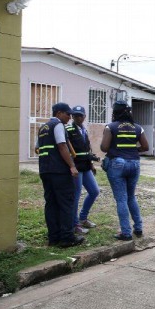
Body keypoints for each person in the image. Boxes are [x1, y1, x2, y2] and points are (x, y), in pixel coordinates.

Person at [100, 101, 149, 241]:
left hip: (117, 164)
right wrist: (133, 150)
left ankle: (126, 232)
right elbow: (145, 147)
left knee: (121, 199)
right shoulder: (137, 127)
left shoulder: (111, 127)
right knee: (131, 197)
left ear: (115, 112)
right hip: (134, 163)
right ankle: (138, 228)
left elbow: (104, 147)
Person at [37, 102, 84, 248]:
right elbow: (62, 145)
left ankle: (54, 238)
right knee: (66, 203)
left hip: (45, 171)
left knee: (51, 204)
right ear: (58, 113)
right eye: (67, 114)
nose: (70, 117)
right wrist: (71, 166)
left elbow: (37, 149)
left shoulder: (43, 127)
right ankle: (67, 238)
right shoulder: (58, 125)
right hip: (59, 172)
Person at [66, 106, 100, 235]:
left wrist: (91, 163)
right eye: (75, 115)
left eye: (80, 115)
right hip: (76, 167)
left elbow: (87, 149)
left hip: (85, 166)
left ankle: (83, 218)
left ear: (84, 116)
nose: (77, 117)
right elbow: (66, 148)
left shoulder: (84, 130)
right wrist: (71, 166)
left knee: (94, 191)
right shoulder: (69, 129)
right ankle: (74, 225)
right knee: (76, 194)